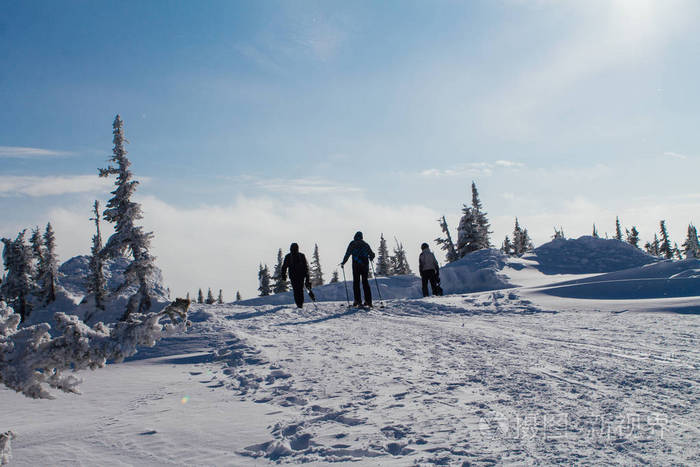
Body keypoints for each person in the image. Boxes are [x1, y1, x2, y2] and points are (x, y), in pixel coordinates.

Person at [341, 231, 375, 307]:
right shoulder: (365, 244)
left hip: (356, 266)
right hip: (365, 266)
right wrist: (370, 257)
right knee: (365, 283)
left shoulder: (352, 243)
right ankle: (368, 301)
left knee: (356, 283)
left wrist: (343, 262)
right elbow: (372, 254)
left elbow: (348, 253)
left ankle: (358, 301)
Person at [281, 243, 311, 308]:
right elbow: (305, 267)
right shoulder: (301, 255)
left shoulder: (288, 256)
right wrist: (307, 277)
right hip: (300, 276)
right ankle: (300, 304)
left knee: (296, 290)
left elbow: (284, 267)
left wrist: (284, 275)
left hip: (294, 276)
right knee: (300, 289)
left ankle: (299, 304)